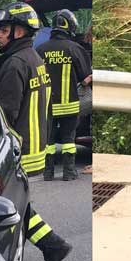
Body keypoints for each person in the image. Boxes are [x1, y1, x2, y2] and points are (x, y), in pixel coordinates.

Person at [0, 1, 72, 261]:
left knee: (4, 205)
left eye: (3, 30)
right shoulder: (34, 59)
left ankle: (44, 248)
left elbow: (5, 114)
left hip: (18, 148)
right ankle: (53, 245)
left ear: (19, 31)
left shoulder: (14, 64)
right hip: (35, 146)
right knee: (16, 203)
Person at [37, 10, 92, 181]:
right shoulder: (75, 48)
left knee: (49, 141)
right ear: (69, 26)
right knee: (68, 139)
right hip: (70, 103)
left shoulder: (39, 50)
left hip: (47, 104)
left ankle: (48, 172)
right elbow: (85, 80)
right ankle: (69, 172)